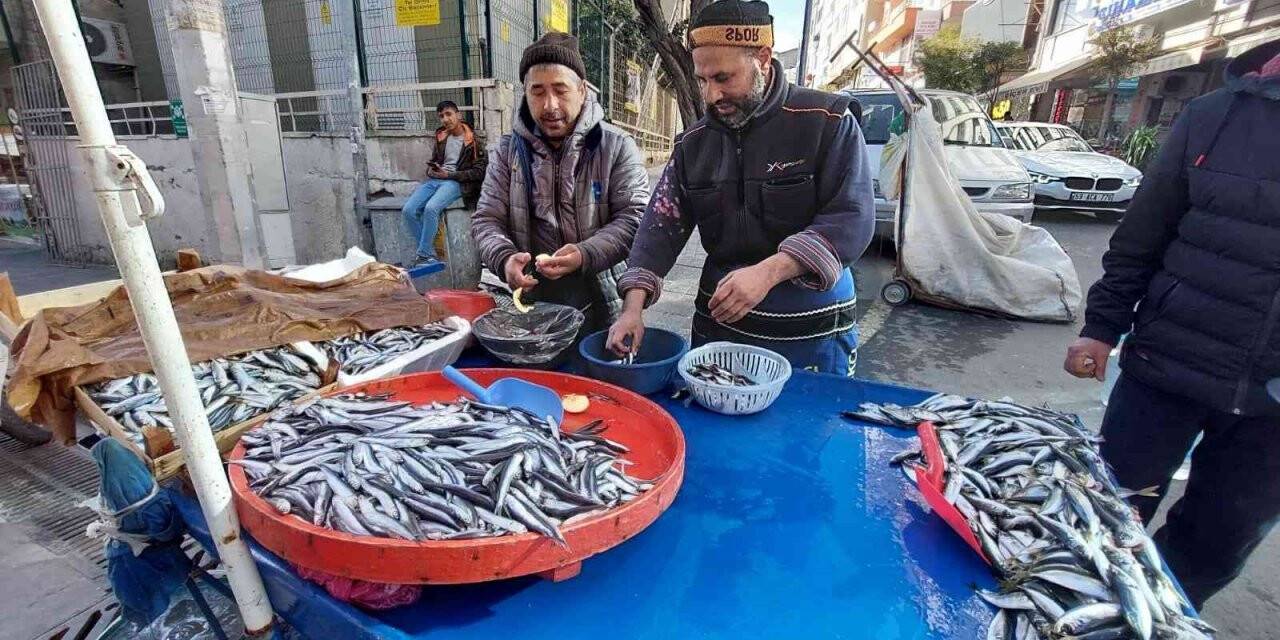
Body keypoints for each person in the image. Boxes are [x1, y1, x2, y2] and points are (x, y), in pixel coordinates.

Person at [1064, 40, 1280, 609]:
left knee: (1217, 545)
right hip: (1167, 365)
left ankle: (1157, 619)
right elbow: (1143, 231)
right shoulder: (1213, 116)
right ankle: (1076, 610)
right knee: (1104, 514)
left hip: (1272, 410)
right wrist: (1101, 327)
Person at [605, 0, 875, 375]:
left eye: (723, 78)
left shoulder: (827, 121)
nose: (711, 96)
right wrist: (632, 309)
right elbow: (658, 230)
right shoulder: (693, 145)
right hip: (721, 330)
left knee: (813, 431)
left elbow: (852, 218)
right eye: (702, 80)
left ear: (763, 59)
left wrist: (769, 271)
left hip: (811, 334)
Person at [471, 33, 648, 332]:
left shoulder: (617, 146)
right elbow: (486, 219)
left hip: (603, 298)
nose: (550, 105)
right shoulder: (506, 152)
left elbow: (635, 218)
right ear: (525, 94)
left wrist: (585, 253)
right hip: (533, 299)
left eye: (560, 90)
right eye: (537, 91)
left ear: (581, 90)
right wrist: (504, 259)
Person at [402, 100, 488, 268]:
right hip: (436, 179)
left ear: (459, 115)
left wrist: (449, 174)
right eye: (441, 116)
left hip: (455, 182)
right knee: (408, 210)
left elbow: (479, 173)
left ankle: (424, 254)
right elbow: (434, 161)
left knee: (431, 208)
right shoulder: (441, 136)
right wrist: (432, 171)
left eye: (449, 114)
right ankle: (429, 254)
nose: (445, 119)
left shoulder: (474, 142)